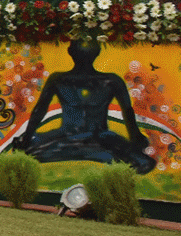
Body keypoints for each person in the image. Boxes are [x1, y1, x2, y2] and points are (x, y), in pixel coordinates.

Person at [13, 38, 154, 174]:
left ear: (70, 51)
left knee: (143, 162)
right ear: (98, 52)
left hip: (96, 138)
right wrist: (26, 138)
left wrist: (135, 139)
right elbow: (39, 110)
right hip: (69, 137)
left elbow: (128, 113)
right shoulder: (60, 79)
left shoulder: (111, 81)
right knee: (23, 152)